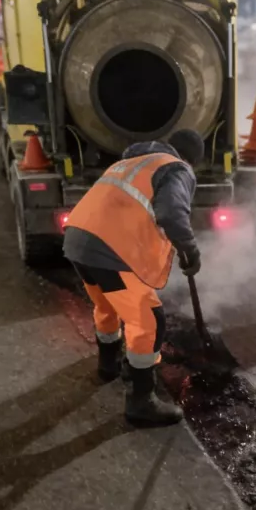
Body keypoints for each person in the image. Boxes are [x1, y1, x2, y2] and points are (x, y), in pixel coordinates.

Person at [62, 129, 205, 426]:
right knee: (149, 320)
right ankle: (142, 402)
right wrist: (190, 249)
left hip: (77, 240)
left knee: (107, 305)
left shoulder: (130, 162)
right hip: (109, 250)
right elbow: (171, 212)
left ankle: (108, 365)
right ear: (192, 159)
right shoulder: (177, 168)